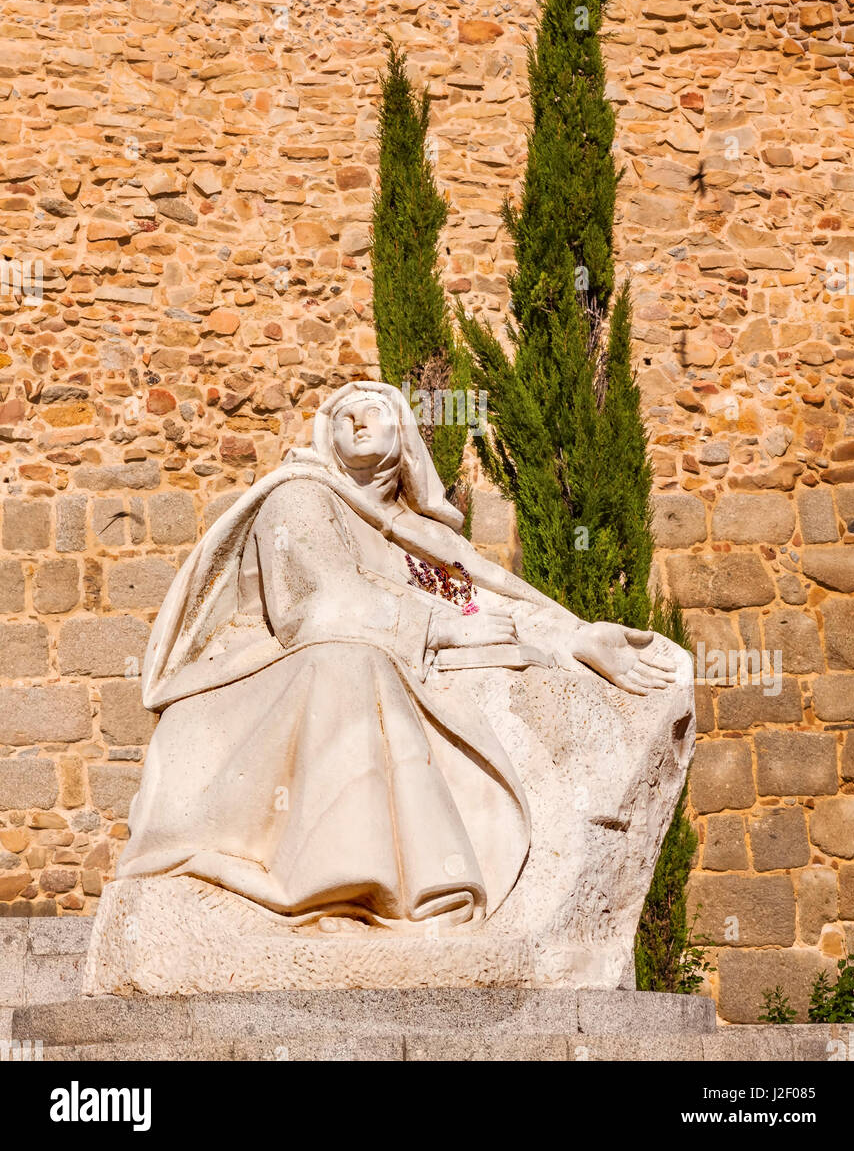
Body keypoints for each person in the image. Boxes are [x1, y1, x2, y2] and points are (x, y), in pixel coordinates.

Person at [118, 381, 677, 932]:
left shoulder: (421, 537)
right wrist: (442, 630)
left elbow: (479, 601)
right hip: (266, 675)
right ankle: (333, 883)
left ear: (403, 435)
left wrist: (572, 636)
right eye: (343, 418)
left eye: (372, 413)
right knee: (353, 661)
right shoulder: (300, 495)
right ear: (327, 441)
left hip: (399, 664)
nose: (357, 423)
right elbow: (316, 605)